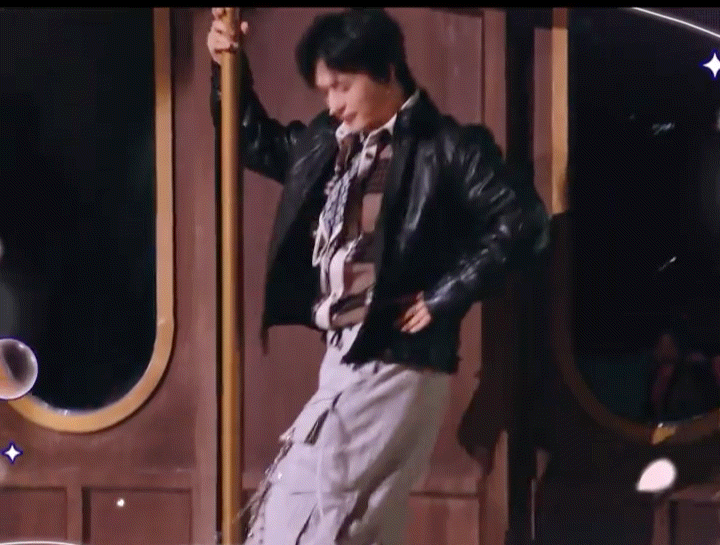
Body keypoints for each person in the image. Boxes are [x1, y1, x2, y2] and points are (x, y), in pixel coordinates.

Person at [208, 8, 549, 544]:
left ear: (388, 71)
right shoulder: (331, 142)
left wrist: (444, 295)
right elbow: (254, 141)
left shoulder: (447, 147)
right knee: (359, 524)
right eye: (325, 91)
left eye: (343, 86)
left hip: (392, 356)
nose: (333, 104)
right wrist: (227, 66)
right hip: (345, 353)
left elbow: (522, 221)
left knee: (305, 511)